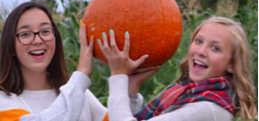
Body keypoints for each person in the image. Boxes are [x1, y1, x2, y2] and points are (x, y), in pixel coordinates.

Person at [0, 1, 143, 121]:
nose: (38, 40)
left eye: (45, 31)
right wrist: (82, 73)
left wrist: (129, 87)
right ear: (10, 45)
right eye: (25, 34)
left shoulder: (79, 93)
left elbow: (115, 118)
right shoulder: (3, 101)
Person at [97, 16, 258, 121]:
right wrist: (131, 86)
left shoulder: (207, 109)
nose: (201, 51)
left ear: (231, 64)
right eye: (199, 41)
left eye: (215, 48)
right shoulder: (187, 91)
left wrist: (118, 75)